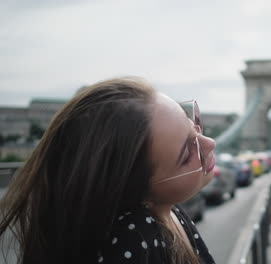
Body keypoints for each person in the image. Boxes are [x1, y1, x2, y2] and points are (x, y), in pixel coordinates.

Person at [0, 77, 217, 264]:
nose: (209, 143)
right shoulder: (134, 238)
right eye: (187, 153)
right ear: (136, 189)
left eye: (193, 124)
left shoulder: (169, 212)